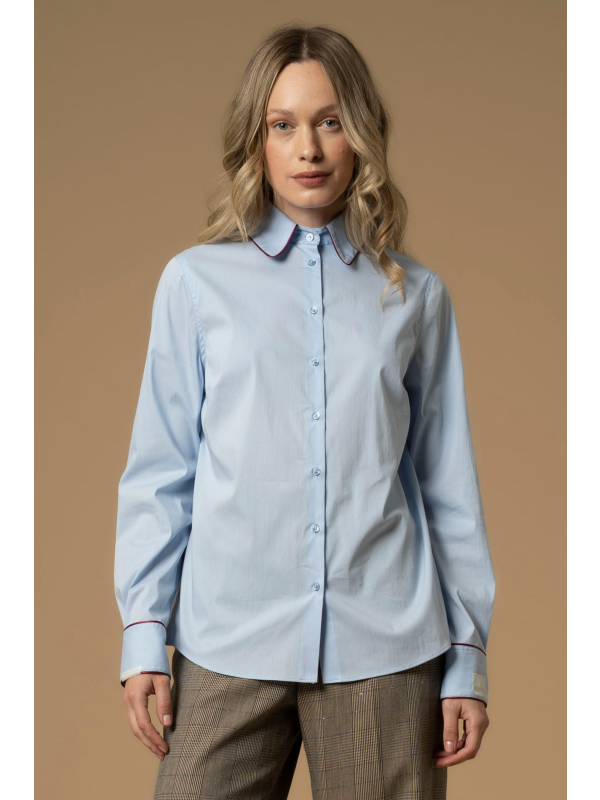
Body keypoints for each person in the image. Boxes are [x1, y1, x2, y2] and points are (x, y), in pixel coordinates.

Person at [114, 23, 495, 800]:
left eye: (329, 122)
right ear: (256, 140)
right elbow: (161, 472)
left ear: (361, 134)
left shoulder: (415, 296)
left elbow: (446, 487)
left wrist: (467, 655)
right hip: (228, 639)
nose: (309, 149)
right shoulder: (195, 284)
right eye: (283, 125)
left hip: (386, 651)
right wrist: (145, 633)